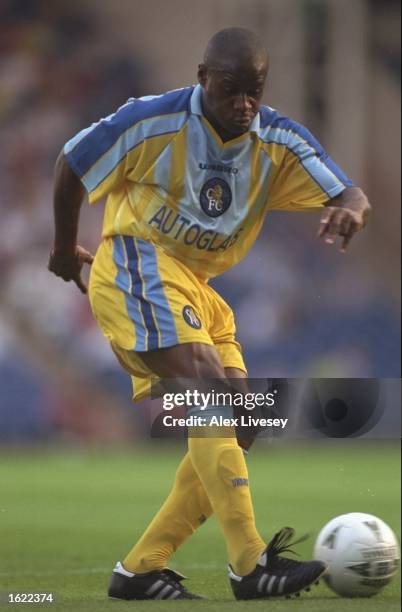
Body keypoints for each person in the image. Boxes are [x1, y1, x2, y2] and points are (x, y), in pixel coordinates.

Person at [49, 27, 370, 601]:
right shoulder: (150, 120)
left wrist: (350, 209)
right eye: (230, 89)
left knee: (241, 423)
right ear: (202, 77)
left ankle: (140, 570)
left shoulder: (276, 139)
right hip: (135, 265)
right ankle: (251, 566)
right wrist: (60, 249)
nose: (244, 103)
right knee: (210, 396)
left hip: (198, 290)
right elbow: (72, 162)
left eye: (255, 91)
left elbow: (347, 190)